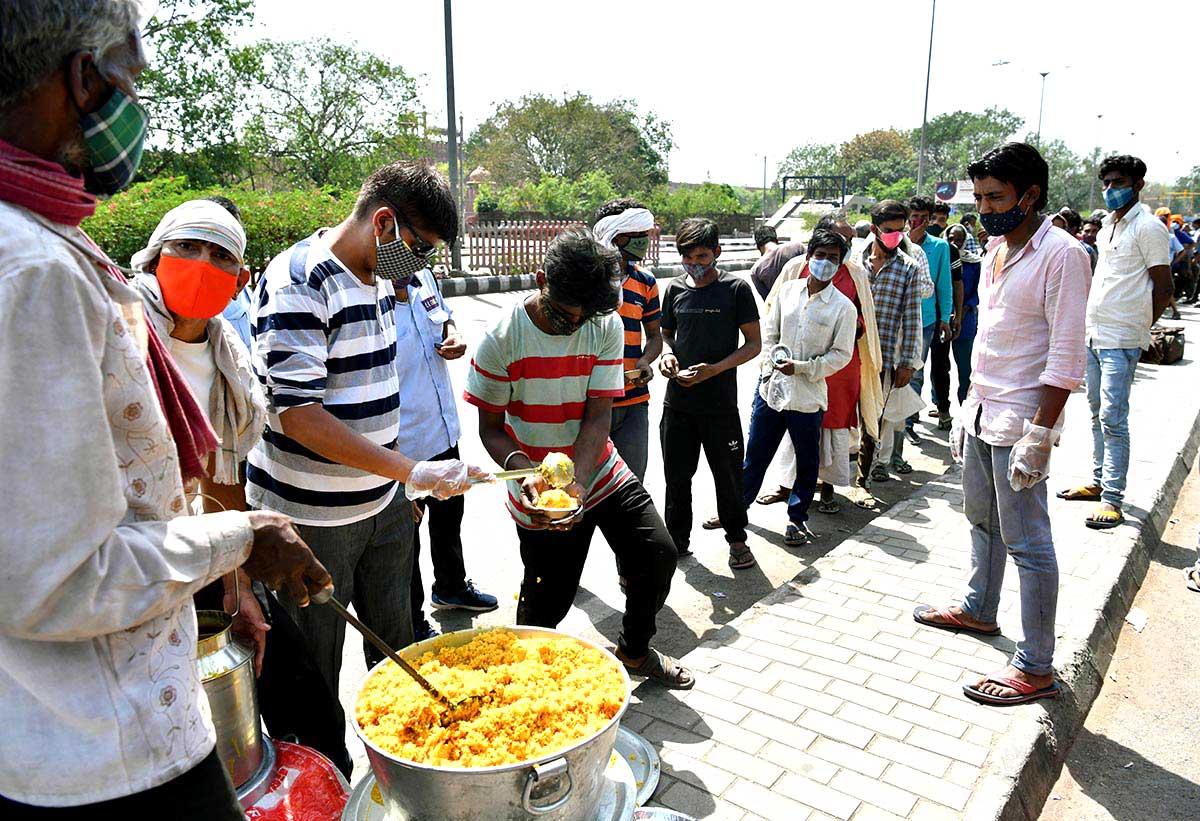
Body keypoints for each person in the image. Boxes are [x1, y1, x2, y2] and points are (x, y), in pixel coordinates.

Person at [0, 3, 330, 814]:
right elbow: (60, 577)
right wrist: (241, 538)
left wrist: (230, 560)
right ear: (83, 78)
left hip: (86, 703)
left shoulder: (49, 249)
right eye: (129, 78)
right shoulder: (35, 272)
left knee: (312, 703)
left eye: (227, 257)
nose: (132, 104)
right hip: (104, 744)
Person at [129, 199, 355, 776]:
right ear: (155, 257)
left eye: (220, 256)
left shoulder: (228, 359)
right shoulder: (120, 338)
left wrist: (242, 587)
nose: (202, 265)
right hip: (134, 571)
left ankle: (324, 793)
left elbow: (224, 481)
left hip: (212, 560)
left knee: (310, 709)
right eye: (186, 248)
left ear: (240, 278)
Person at [248, 161, 486, 704]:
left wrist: (402, 485)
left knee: (400, 650)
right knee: (311, 675)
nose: (422, 264)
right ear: (383, 223)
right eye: (421, 248)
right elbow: (296, 413)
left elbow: (374, 393)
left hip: (382, 507)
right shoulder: (299, 281)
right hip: (314, 519)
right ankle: (327, 772)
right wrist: (412, 470)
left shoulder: (379, 280)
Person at [464, 229, 693, 688]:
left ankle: (633, 651)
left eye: (587, 316)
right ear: (541, 279)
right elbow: (490, 427)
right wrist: (530, 475)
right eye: (568, 314)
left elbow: (597, 418)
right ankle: (524, 682)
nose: (577, 326)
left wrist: (579, 485)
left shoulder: (602, 324)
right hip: (533, 482)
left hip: (598, 470)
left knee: (657, 555)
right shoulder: (500, 340)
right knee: (548, 598)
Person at [916, 142, 1090, 707]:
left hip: (1022, 422)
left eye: (996, 197)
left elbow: (1065, 356)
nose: (986, 208)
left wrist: (1041, 435)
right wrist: (967, 407)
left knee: (1029, 543)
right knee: (980, 521)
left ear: (1031, 195)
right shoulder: (994, 249)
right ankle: (978, 609)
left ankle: (1037, 665)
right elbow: (989, 341)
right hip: (985, 409)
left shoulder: (1062, 255)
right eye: (981, 198)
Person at [1056, 156, 1171, 529]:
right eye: (1105, 182)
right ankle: (1099, 480)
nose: (1110, 190)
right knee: (1094, 413)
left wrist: (1142, 329)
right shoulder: (1105, 229)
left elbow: (1164, 286)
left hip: (1121, 338)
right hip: (1094, 333)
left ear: (1138, 184)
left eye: (1117, 182)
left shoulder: (1149, 228)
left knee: (1113, 417)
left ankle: (1113, 499)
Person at [401, 248, 497, 645]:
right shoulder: (366, 293)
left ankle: (451, 587)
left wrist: (452, 334)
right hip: (398, 444)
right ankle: (411, 620)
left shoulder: (423, 276)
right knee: (404, 538)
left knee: (448, 517)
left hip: (440, 430)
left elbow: (443, 316)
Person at [741, 229, 857, 544]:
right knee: (756, 454)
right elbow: (770, 333)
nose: (825, 263)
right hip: (772, 390)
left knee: (807, 461)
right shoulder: (787, 291)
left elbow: (841, 355)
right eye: (820, 256)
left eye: (833, 258)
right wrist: (770, 366)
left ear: (841, 264)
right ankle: (736, 511)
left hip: (808, 396)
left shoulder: (844, 308)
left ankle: (797, 519)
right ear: (808, 258)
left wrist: (804, 369)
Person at [658, 219, 762, 567]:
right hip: (678, 405)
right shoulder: (673, 290)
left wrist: (715, 369)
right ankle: (677, 542)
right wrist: (668, 356)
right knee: (676, 479)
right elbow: (666, 337)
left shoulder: (736, 290)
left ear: (716, 252)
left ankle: (737, 541)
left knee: (728, 477)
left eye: (702, 256)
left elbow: (753, 345)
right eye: (688, 259)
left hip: (719, 406)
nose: (695, 265)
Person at [593, 198, 662, 482]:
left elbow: (655, 336)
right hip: (592, 401)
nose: (646, 242)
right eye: (641, 236)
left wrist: (646, 360)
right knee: (585, 485)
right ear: (618, 236)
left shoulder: (646, 282)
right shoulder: (588, 281)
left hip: (634, 399)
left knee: (631, 485)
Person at [856, 200, 925, 484]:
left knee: (879, 417)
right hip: (851, 353)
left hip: (884, 356)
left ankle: (870, 472)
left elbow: (911, 317)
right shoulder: (855, 261)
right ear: (874, 229)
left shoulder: (908, 267)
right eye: (889, 230)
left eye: (901, 230)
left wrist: (907, 363)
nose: (895, 236)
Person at [901, 196, 953, 451]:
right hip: (898, 317)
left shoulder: (939, 247)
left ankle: (909, 422)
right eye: (913, 216)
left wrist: (946, 318)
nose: (917, 221)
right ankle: (900, 421)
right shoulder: (897, 242)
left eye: (922, 217)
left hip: (926, 319)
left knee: (916, 371)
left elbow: (944, 284)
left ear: (930, 219)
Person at [943, 224, 981, 408]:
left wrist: (963, 310)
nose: (954, 243)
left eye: (958, 239)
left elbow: (977, 292)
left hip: (966, 320)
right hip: (942, 318)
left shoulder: (974, 263)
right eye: (951, 239)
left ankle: (965, 405)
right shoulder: (942, 258)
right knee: (940, 367)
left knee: (965, 367)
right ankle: (941, 405)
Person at [749, 223, 807, 299]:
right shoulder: (797, 247)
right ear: (776, 240)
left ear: (758, 246)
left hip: (784, 308)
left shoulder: (755, 270)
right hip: (807, 299)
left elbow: (768, 301)